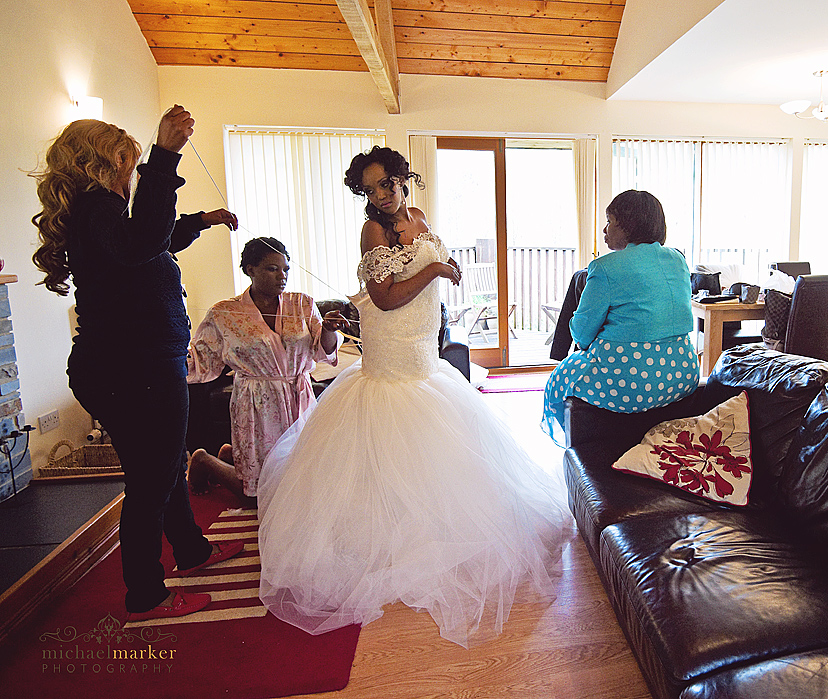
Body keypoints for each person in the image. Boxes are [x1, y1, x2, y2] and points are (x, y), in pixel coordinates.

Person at [256, 146, 571, 647]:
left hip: (425, 354)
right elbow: (382, 296)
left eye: (388, 182)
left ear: (404, 177)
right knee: (388, 450)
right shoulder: (372, 232)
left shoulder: (418, 217)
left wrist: (446, 267)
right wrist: (436, 271)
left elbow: (431, 265)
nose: (382, 195)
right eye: (371, 188)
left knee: (445, 457)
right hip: (391, 359)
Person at [30, 107, 244, 622]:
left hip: (122, 368)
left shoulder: (95, 215)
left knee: (164, 468)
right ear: (103, 165)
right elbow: (143, 239)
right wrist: (165, 155)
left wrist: (201, 220)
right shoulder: (98, 208)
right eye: (126, 165)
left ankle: (190, 551)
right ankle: (146, 594)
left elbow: (153, 238)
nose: (131, 175)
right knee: (151, 481)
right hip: (136, 371)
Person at [186, 237, 350, 505]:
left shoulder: (302, 305)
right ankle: (204, 460)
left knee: (299, 482)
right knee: (262, 497)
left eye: (286, 269)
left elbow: (324, 350)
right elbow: (202, 358)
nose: (282, 276)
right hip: (255, 403)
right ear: (250, 269)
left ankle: (230, 456)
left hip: (299, 397)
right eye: (272, 269)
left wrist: (330, 329)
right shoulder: (225, 312)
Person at [542, 189, 701, 444]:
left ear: (628, 225)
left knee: (560, 377)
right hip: (682, 375)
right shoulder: (678, 260)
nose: (604, 230)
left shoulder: (604, 267)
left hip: (631, 384)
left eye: (609, 221)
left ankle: (576, 443)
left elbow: (581, 336)